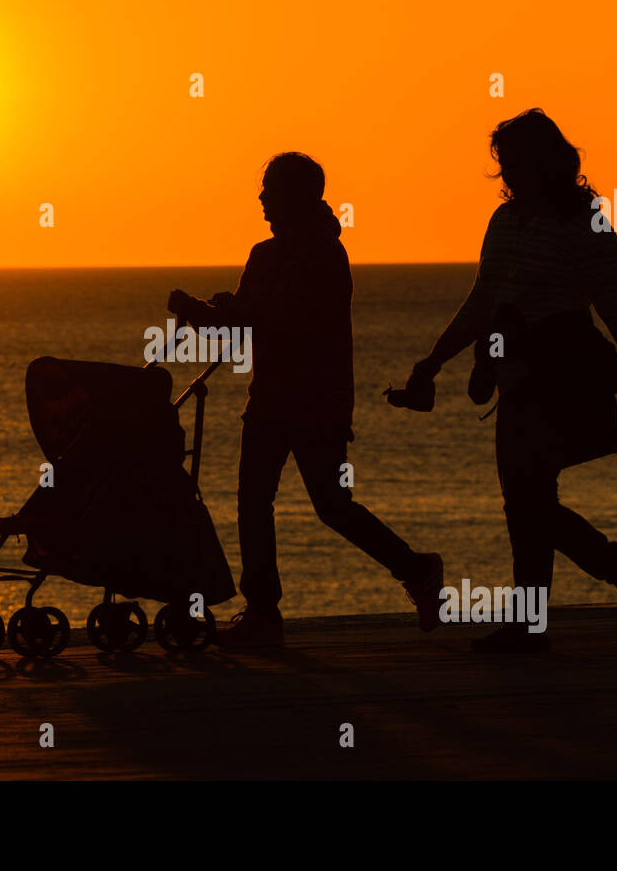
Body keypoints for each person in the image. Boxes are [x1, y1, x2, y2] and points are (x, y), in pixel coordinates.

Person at [392, 109, 617, 653]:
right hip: (516, 374)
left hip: (563, 375)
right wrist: (432, 363)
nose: (507, 175)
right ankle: (614, 577)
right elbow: (483, 301)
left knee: (527, 500)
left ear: (547, 163)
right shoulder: (505, 222)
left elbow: (612, 305)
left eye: (517, 163)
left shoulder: (585, 221)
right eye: (504, 165)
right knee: (526, 502)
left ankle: (557, 610)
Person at [168, 152, 443, 648]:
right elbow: (247, 326)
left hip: (316, 401)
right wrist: (208, 314)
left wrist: (217, 311)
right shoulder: (267, 254)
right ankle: (264, 613)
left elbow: (270, 320)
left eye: (271, 190)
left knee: (330, 506)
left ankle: (415, 568)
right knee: (255, 501)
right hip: (272, 397)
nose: (262, 199)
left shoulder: (322, 256)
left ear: (298, 197)